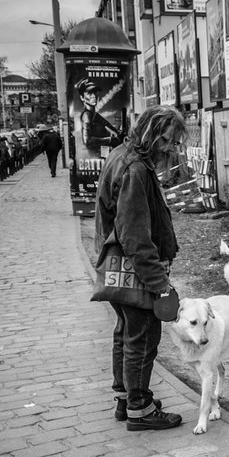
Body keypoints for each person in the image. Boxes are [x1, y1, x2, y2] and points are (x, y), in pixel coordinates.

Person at [95, 105, 187, 431]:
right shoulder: (134, 169)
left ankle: (126, 399)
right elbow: (134, 236)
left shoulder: (123, 155)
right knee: (143, 338)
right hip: (135, 269)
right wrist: (159, 283)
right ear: (151, 132)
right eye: (166, 140)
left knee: (126, 334)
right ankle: (140, 407)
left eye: (174, 142)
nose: (169, 148)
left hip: (117, 267)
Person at [77, 79, 125, 159]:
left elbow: (108, 125)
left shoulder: (94, 115)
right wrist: (110, 140)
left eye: (95, 92)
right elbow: (87, 141)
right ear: (82, 98)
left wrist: (118, 134)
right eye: (89, 93)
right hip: (94, 158)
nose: (94, 96)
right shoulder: (87, 115)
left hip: (101, 157)